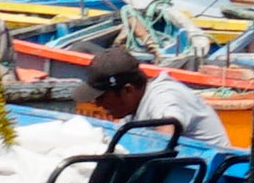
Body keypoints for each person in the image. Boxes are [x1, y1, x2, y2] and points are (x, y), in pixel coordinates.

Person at [80, 44, 227, 142]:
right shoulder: (133, 108)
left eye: (101, 96)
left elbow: (166, 134)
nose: (96, 102)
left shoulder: (165, 96)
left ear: (127, 90)